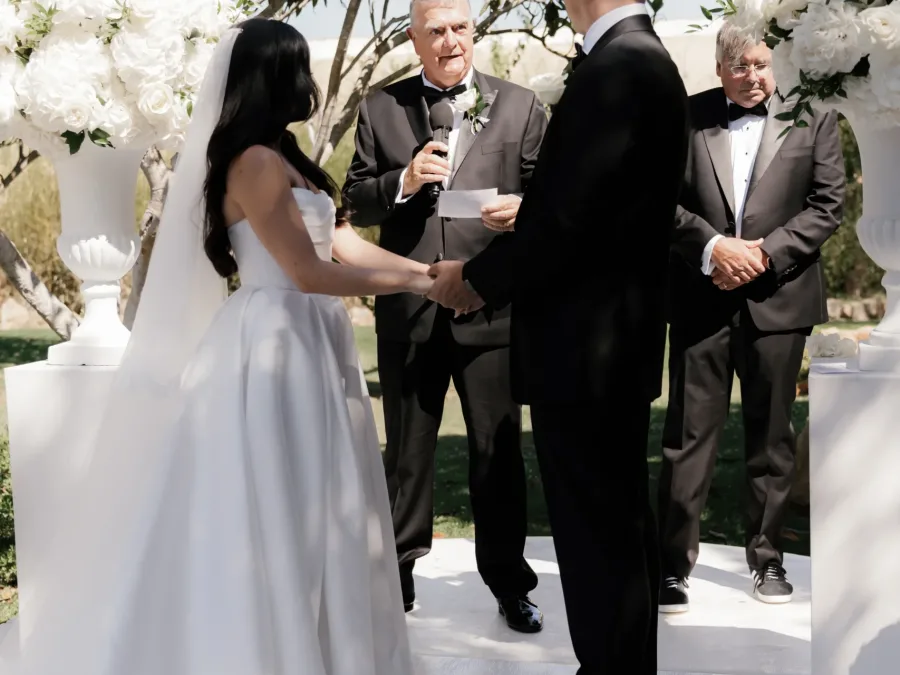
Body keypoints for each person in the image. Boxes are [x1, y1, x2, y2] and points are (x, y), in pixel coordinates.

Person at [9, 19, 429, 675]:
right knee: (283, 496)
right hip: (277, 343)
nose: (308, 81)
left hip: (313, 337)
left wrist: (429, 274)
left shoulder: (285, 156)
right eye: (297, 67)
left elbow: (343, 246)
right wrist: (419, 281)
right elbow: (307, 271)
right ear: (273, 77)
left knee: (323, 494)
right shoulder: (254, 163)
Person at [426, 0, 689, 671]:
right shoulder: (645, 58)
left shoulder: (616, 68)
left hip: (585, 348)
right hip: (612, 343)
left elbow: (569, 224)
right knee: (617, 526)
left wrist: (475, 279)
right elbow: (593, 204)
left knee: (596, 533)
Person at [342, 0, 548, 631]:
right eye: (436, 31)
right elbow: (354, 201)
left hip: (489, 305)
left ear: (474, 32)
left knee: (497, 453)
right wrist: (402, 182)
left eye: (460, 28)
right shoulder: (381, 107)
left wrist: (523, 208)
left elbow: (552, 198)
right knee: (407, 456)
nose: (450, 41)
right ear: (415, 38)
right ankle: (397, 578)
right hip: (410, 308)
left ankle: (510, 584)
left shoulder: (521, 105)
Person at [657, 22, 844, 613]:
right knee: (687, 437)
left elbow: (827, 205)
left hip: (780, 299)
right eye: (740, 66)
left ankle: (768, 559)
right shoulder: (686, 116)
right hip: (699, 296)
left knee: (772, 437)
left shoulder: (814, 114)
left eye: (761, 64)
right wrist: (713, 248)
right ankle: (671, 567)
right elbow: (660, 199)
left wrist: (762, 255)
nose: (753, 76)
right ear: (719, 69)